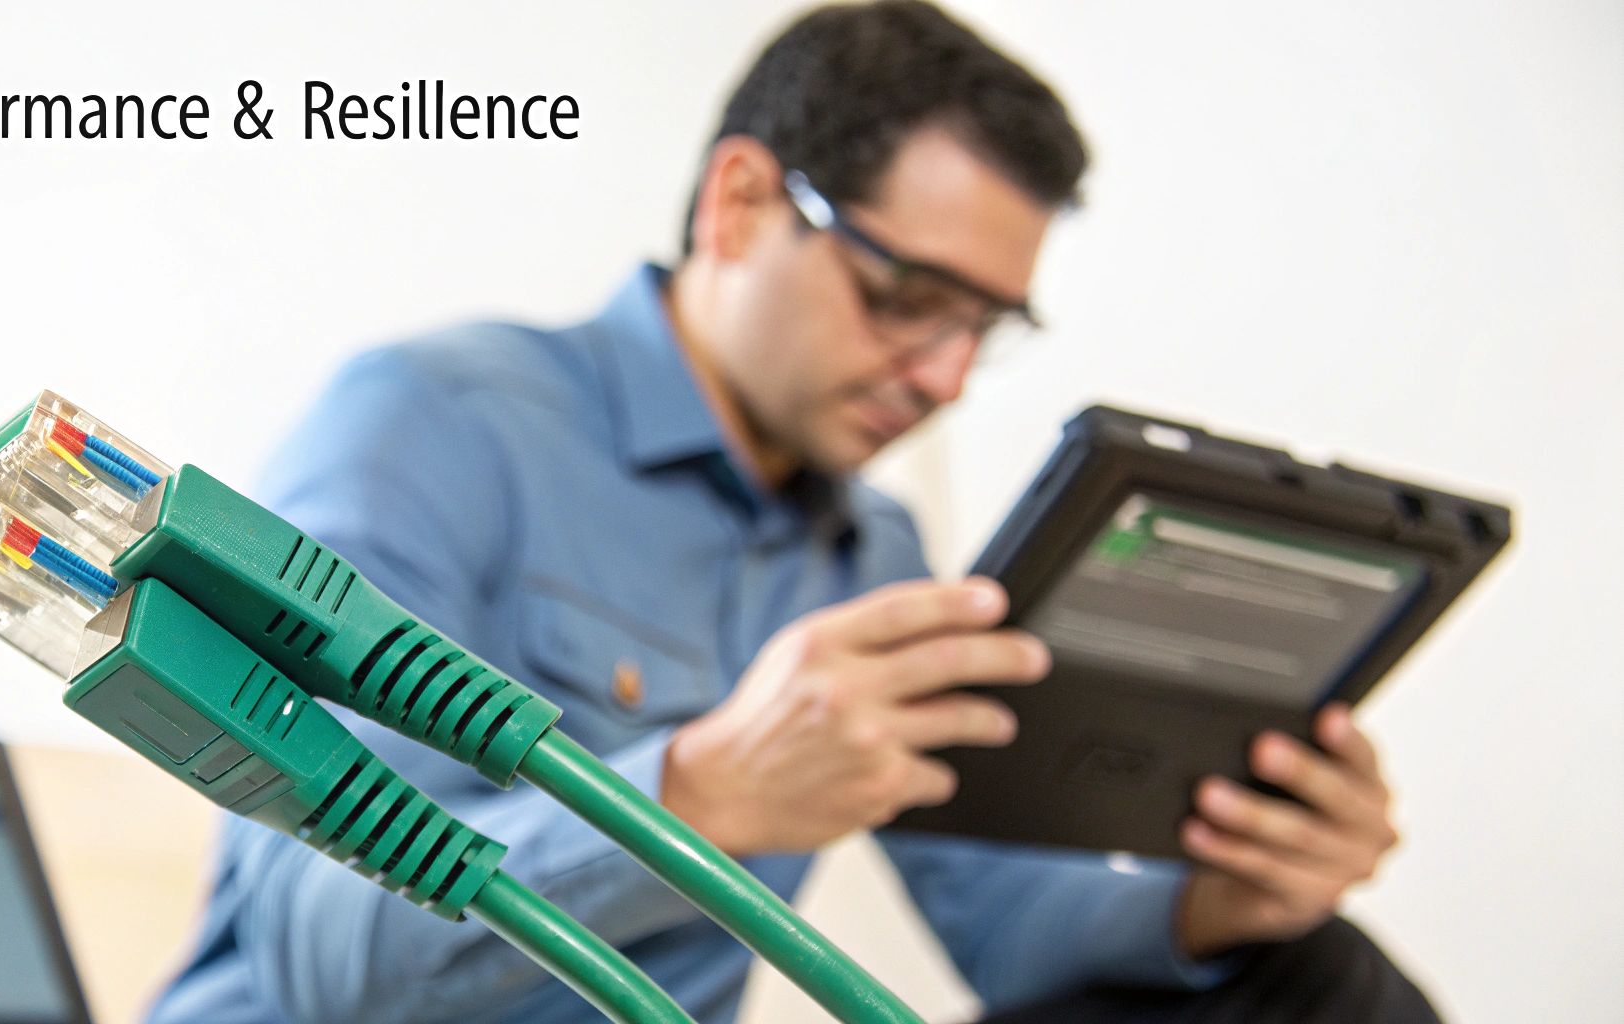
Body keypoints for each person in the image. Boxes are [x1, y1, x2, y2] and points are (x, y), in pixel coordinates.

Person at [148, 2, 1438, 1021]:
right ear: (742, 201)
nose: (938, 377)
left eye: (983, 330)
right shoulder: (436, 421)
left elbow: (1000, 932)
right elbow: (324, 961)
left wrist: (1219, 896)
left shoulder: (874, 554)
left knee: (1316, 979)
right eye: (904, 296)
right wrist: (699, 794)